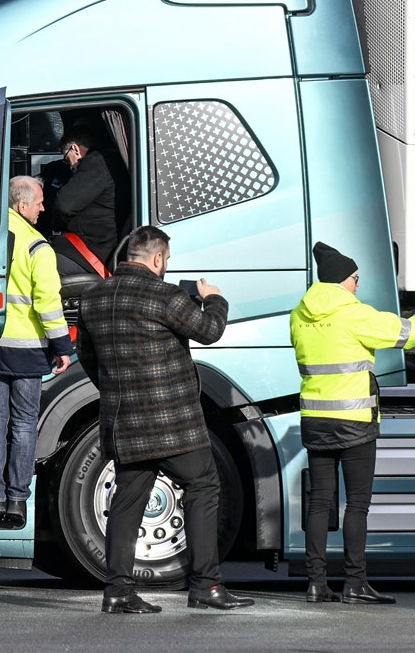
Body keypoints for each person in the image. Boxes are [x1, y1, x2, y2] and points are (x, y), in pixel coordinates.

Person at [75, 225, 247, 615]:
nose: (166, 267)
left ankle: (117, 591)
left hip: (124, 422)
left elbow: (90, 360)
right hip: (173, 425)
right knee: (203, 485)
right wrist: (214, 299)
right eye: (166, 260)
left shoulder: (93, 297)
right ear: (156, 259)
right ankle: (206, 585)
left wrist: (120, 389)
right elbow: (209, 331)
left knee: (126, 502)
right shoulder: (164, 295)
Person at [290, 242, 415, 605]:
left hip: (315, 420)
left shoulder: (298, 316)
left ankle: (315, 584)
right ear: (342, 280)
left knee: (320, 503)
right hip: (354, 422)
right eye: (355, 278)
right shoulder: (354, 314)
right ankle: (354, 584)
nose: (358, 285)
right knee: (357, 504)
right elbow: (404, 333)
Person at [0, 177, 72, 526]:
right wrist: (62, 346)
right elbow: (48, 304)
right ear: (22, 206)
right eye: (39, 202)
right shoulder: (38, 248)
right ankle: (16, 502)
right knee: (23, 425)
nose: (44, 208)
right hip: (28, 348)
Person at [42, 125, 118, 272]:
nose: (70, 166)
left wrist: (53, 225)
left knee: (36, 264)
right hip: (101, 246)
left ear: (75, 149)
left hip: (92, 249)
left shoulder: (95, 162)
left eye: (66, 158)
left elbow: (64, 205)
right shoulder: (110, 161)